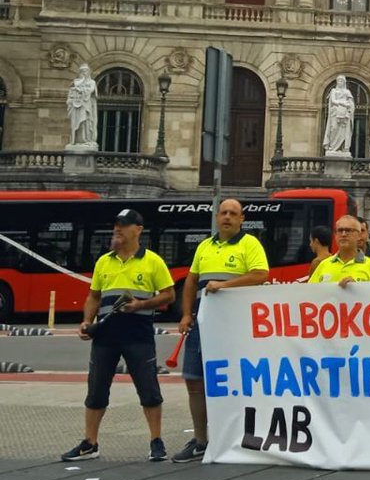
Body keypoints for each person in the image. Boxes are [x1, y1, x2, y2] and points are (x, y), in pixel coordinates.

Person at [61, 209, 176, 463]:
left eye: (124, 225)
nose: (118, 229)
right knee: (96, 389)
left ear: (138, 229)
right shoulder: (104, 261)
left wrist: (141, 304)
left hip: (138, 335)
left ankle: (156, 441)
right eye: (116, 225)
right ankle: (90, 443)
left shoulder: (153, 261)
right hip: (105, 336)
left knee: (148, 389)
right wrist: (86, 322)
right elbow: (93, 296)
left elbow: (169, 295)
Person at [172, 198, 269, 463]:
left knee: (237, 382)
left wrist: (226, 286)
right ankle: (201, 440)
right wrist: (185, 314)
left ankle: (239, 437)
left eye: (233, 213)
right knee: (194, 380)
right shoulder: (204, 246)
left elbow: (261, 275)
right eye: (223, 212)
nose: (227, 217)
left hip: (236, 325)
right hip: (204, 322)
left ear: (242, 218)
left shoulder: (250, 244)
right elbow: (191, 282)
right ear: (217, 217)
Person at [311, 215, 370, 285]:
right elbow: (312, 293)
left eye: (348, 230)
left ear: (359, 235)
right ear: (335, 235)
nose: (343, 234)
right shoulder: (323, 265)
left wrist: (358, 288)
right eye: (340, 230)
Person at [66, 63, 98, 146]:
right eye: (82, 71)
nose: (84, 73)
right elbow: (71, 94)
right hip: (77, 106)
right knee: (77, 123)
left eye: (86, 71)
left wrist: (80, 89)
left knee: (86, 122)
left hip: (86, 105)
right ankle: (77, 140)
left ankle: (86, 139)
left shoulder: (92, 82)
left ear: (89, 72)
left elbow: (91, 91)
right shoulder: (76, 82)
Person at [322, 75, 354, 155]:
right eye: (338, 81)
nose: (340, 82)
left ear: (344, 82)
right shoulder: (333, 91)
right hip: (335, 113)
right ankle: (333, 147)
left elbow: (351, 104)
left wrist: (349, 107)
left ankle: (342, 148)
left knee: (343, 132)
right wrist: (343, 103)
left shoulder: (347, 92)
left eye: (341, 81)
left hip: (344, 115)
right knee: (334, 128)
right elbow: (333, 101)